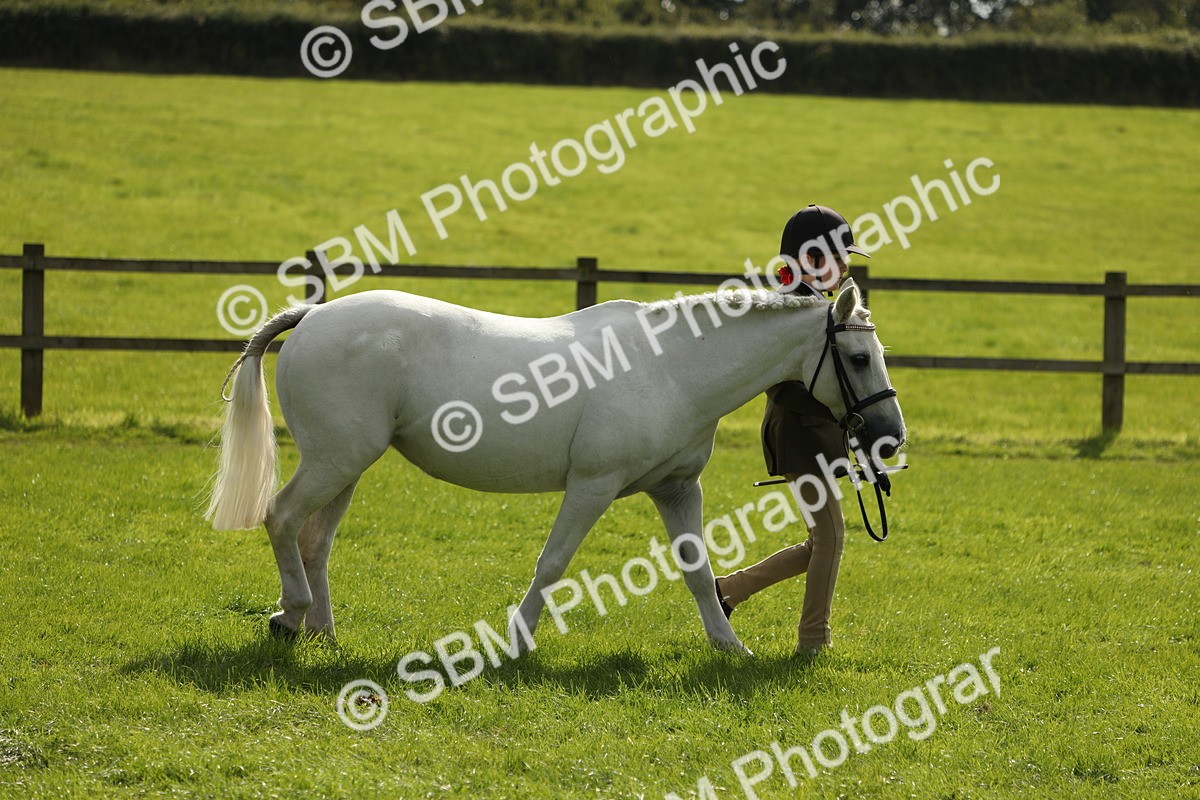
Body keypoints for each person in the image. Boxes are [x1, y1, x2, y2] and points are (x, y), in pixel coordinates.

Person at [714, 204, 869, 656]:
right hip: (798, 434)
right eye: (837, 259)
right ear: (811, 259)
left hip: (813, 437)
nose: (844, 269)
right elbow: (779, 387)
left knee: (821, 541)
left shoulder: (818, 307)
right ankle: (813, 642)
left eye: (846, 261)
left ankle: (729, 590)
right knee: (831, 538)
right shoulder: (789, 309)